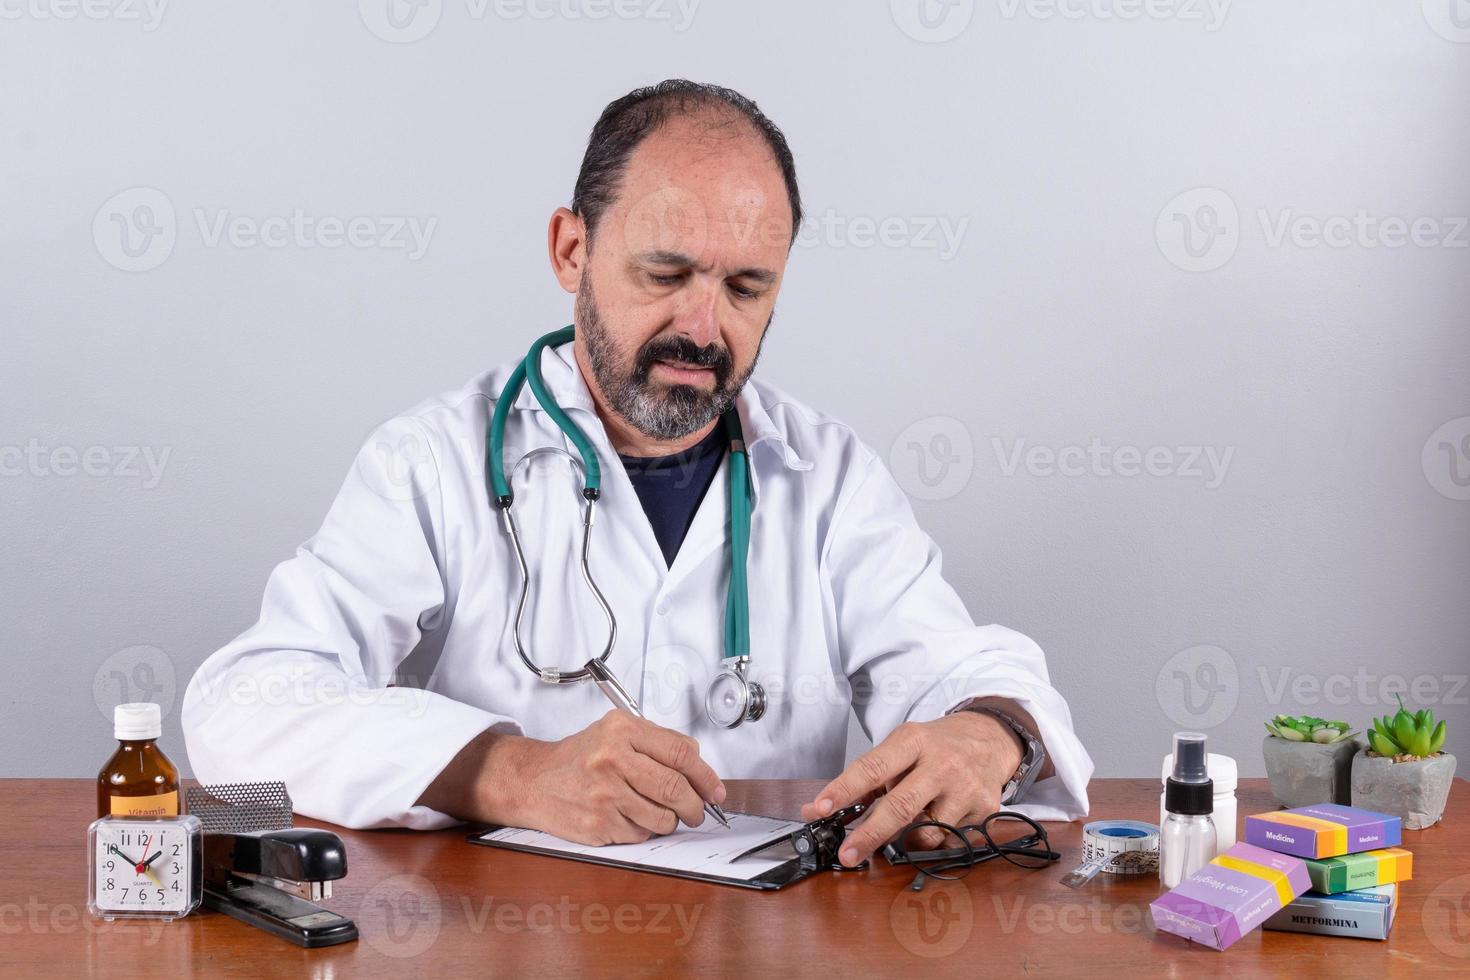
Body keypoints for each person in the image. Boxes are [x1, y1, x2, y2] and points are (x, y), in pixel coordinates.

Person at [182, 79, 1092, 868]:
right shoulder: (433, 462)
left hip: (760, 948)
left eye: (745, 288)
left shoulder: (829, 479)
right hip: (503, 938)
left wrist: (992, 734)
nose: (704, 326)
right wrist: (506, 771)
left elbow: (962, 670)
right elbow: (242, 708)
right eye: (666, 272)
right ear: (570, 250)